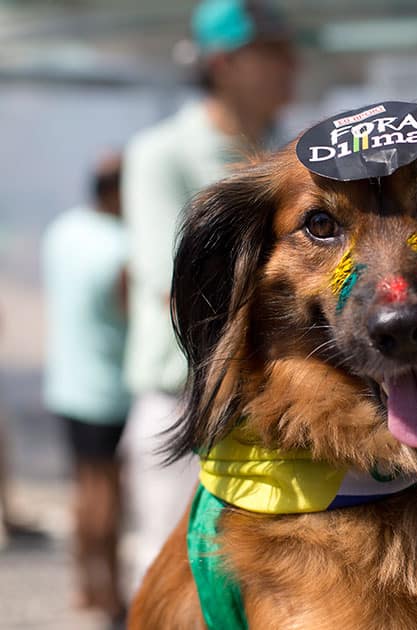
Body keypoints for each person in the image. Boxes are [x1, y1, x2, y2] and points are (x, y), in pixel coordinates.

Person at [118, 0, 298, 595]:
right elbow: (174, 287)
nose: (290, 63)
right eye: (270, 51)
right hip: (186, 398)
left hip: (272, 404)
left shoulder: (287, 152)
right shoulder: (160, 154)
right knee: (178, 574)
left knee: (280, 576)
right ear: (223, 63)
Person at [41, 152, 130, 624]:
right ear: (117, 192)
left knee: (82, 488)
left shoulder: (64, 229)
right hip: (106, 389)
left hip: (66, 382)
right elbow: (131, 314)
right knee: (107, 494)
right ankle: (111, 592)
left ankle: (83, 586)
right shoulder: (121, 250)